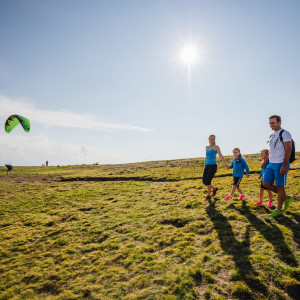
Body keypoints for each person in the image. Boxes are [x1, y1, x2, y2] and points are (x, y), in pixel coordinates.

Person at [262, 115, 294, 218]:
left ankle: (278, 210)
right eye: (270, 123)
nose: (271, 125)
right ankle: (286, 197)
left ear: (279, 122)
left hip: (280, 163)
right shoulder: (271, 135)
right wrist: (265, 160)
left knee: (280, 186)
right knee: (265, 183)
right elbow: (272, 150)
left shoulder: (285, 133)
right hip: (271, 163)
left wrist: (284, 165)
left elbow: (288, 149)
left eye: (273, 123)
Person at [203, 134, 228, 201]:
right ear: (208, 139)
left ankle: (208, 195)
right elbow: (206, 157)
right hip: (207, 166)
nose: (212, 140)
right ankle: (214, 188)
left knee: (208, 181)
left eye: (213, 139)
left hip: (213, 166)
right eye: (211, 138)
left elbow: (220, 155)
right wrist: (204, 165)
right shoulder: (206, 147)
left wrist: (225, 163)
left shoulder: (216, 147)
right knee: (204, 181)